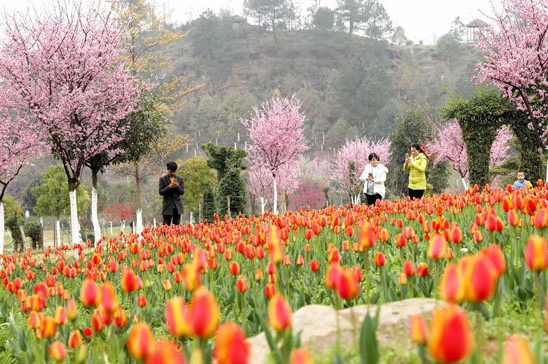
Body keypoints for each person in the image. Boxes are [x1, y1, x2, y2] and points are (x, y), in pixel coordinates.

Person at [159, 161, 185, 226]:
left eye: (174, 171)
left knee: (176, 227)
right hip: (167, 207)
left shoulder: (180, 179)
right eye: (171, 171)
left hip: (177, 207)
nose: (173, 173)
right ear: (168, 170)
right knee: (165, 227)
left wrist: (177, 186)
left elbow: (182, 192)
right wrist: (169, 187)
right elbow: (161, 192)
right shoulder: (162, 179)